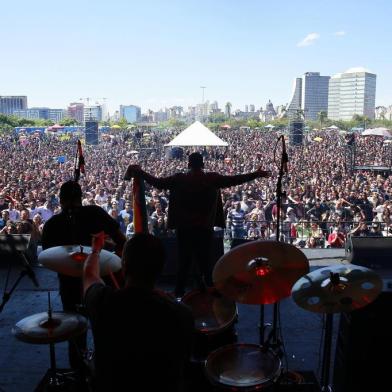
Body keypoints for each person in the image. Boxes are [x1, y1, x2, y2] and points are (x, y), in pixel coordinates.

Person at [124, 152, 271, 298]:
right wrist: (256, 174)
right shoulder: (211, 178)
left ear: (188, 164)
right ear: (203, 164)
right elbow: (235, 179)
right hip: (204, 228)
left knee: (184, 262)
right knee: (206, 262)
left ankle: (178, 294)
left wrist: (140, 172)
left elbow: (158, 182)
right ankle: (211, 294)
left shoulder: (179, 179)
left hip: (184, 229)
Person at [83, 232, 194, 392]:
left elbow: (89, 275)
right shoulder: (182, 314)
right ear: (161, 269)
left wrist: (95, 250)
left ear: (124, 266)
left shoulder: (102, 301)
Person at [41, 180, 126, 372]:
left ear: (60, 200)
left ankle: (79, 374)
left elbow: (48, 257)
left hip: (69, 285)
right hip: (100, 281)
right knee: (104, 329)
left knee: (75, 332)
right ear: (81, 198)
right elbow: (122, 240)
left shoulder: (53, 224)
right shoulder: (95, 213)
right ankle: (106, 371)